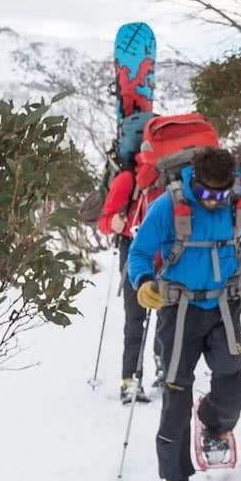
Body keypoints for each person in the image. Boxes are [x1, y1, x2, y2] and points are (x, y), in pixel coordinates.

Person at [127, 146, 241, 481]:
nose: (213, 201)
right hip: (179, 309)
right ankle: (175, 480)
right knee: (176, 391)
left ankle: (213, 425)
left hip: (224, 306)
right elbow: (139, 253)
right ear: (194, 179)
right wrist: (143, 282)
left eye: (221, 194)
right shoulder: (168, 206)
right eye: (207, 193)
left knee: (233, 385)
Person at [96, 157, 153, 404]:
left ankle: (136, 379)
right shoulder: (129, 178)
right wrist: (113, 223)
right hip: (140, 248)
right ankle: (136, 378)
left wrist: (112, 224)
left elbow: (104, 222)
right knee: (141, 317)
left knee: (146, 317)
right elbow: (104, 221)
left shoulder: (172, 172)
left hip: (150, 248)